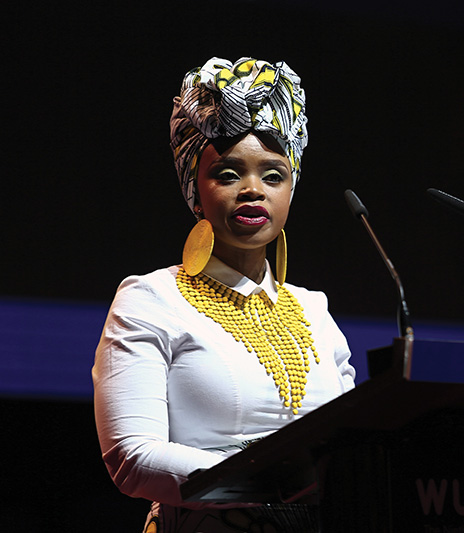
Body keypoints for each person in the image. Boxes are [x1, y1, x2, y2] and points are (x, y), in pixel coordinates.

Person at [93, 57, 356, 533]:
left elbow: (358, 445)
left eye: (274, 175)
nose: (253, 190)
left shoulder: (314, 310)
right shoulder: (151, 299)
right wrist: (273, 482)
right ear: (195, 186)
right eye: (229, 173)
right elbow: (131, 457)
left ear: (292, 190)